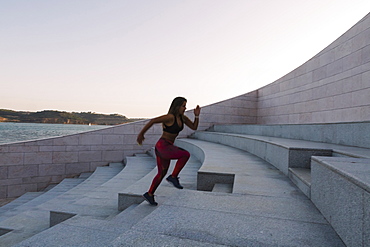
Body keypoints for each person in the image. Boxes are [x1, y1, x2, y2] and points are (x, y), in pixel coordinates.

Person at [137, 97, 201, 206]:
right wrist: (141, 134)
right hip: (163, 146)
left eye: (185, 105)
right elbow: (153, 121)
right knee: (185, 154)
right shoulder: (169, 117)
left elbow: (194, 127)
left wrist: (196, 116)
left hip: (167, 146)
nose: (185, 108)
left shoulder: (183, 118)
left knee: (161, 173)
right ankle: (173, 177)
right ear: (177, 106)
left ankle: (149, 194)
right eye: (183, 106)